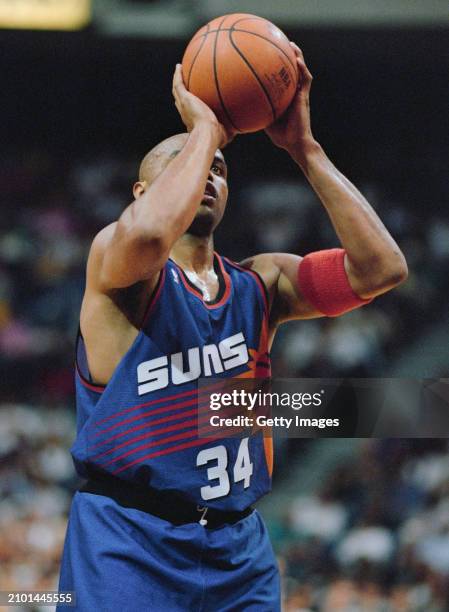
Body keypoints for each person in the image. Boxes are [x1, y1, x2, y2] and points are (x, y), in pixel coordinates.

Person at [58, 45, 407, 611]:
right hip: (129, 541)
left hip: (237, 549)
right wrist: (205, 132)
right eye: (188, 167)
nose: (208, 174)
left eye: (220, 168)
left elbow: (382, 269)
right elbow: (147, 238)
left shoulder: (262, 284)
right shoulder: (118, 266)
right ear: (142, 195)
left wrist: (305, 149)